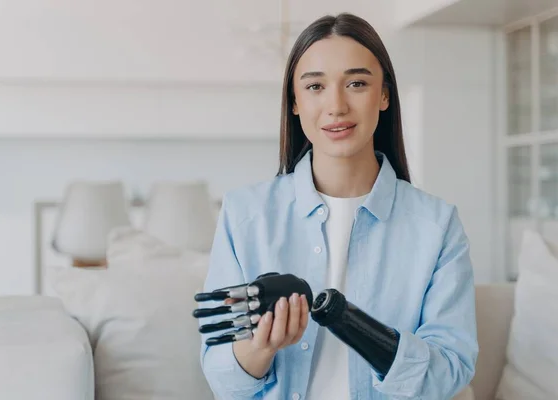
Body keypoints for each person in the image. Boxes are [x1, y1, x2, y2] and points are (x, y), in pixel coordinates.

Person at [199, 12, 478, 400]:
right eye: (315, 86)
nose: (336, 105)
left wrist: (357, 328)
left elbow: (450, 372)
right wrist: (261, 347)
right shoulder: (244, 215)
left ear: (384, 95)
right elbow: (222, 380)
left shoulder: (437, 226)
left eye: (357, 83)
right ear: (294, 102)